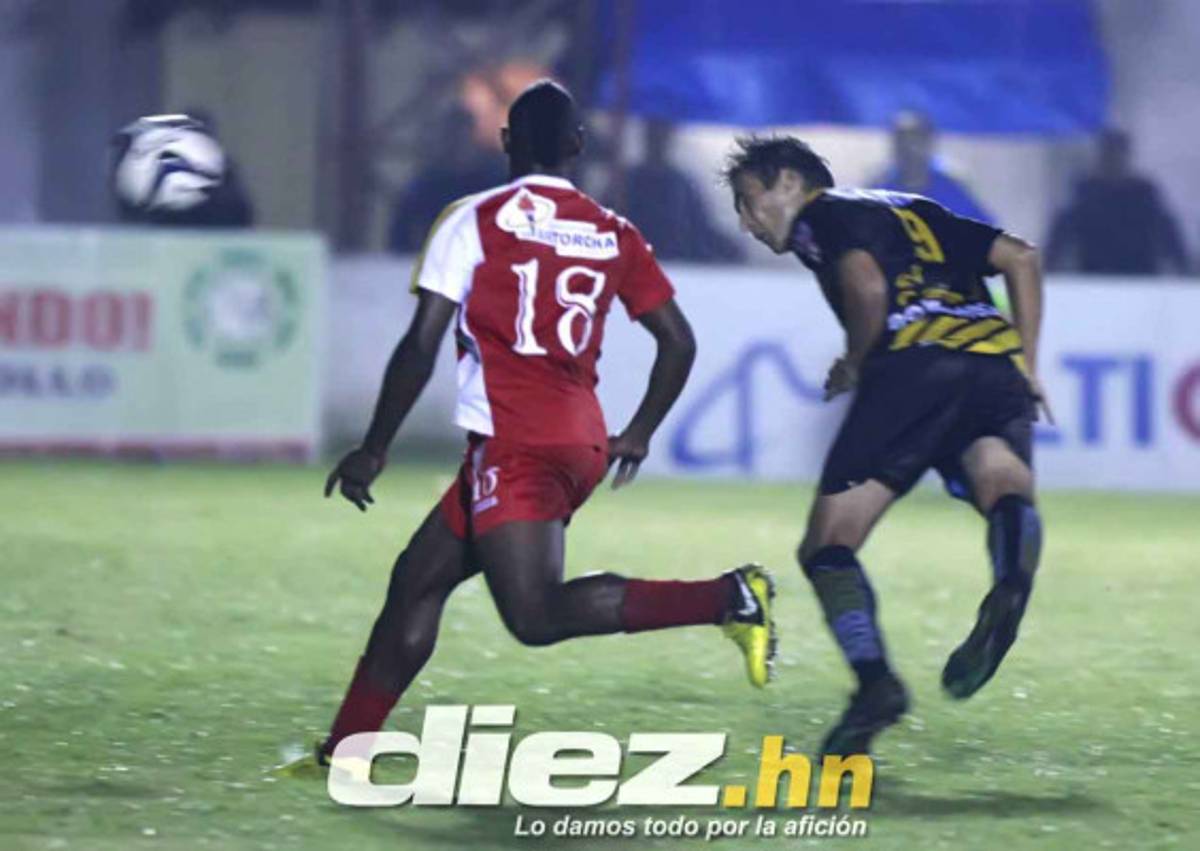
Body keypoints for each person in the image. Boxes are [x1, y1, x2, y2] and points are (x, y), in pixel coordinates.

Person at [276, 81, 775, 776]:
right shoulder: (613, 231)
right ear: (577, 146)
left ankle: (730, 596)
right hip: (573, 439)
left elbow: (421, 343)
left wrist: (374, 445)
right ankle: (345, 753)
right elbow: (679, 341)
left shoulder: (474, 219)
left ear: (506, 142)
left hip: (517, 446)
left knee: (534, 616)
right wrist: (639, 429)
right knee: (416, 581)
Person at [724, 135, 1049, 757]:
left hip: (913, 367)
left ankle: (876, 684)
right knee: (1002, 483)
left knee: (827, 545)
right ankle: (1011, 584)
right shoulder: (914, 207)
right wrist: (1029, 367)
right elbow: (1022, 259)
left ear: (790, 183)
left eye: (749, 200)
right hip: (991, 363)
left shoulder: (820, 216)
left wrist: (855, 360)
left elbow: (868, 290)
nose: (745, 221)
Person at [1045, 128, 1189, 275]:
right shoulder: (1085, 195)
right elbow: (1061, 236)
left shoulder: (1143, 196)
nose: (1113, 160)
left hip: (1140, 277)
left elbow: (1168, 233)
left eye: (1117, 154)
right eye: (1109, 154)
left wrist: (1183, 267)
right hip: (1094, 278)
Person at [616, 121, 744, 263]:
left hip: (678, 260)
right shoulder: (626, 181)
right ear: (647, 139)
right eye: (655, 137)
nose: (659, 142)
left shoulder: (681, 183)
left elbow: (700, 228)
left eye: (663, 137)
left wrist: (728, 249)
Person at [872, 110, 992, 224]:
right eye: (902, 140)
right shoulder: (879, 189)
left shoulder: (952, 188)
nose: (909, 147)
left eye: (915, 139)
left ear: (929, 142)